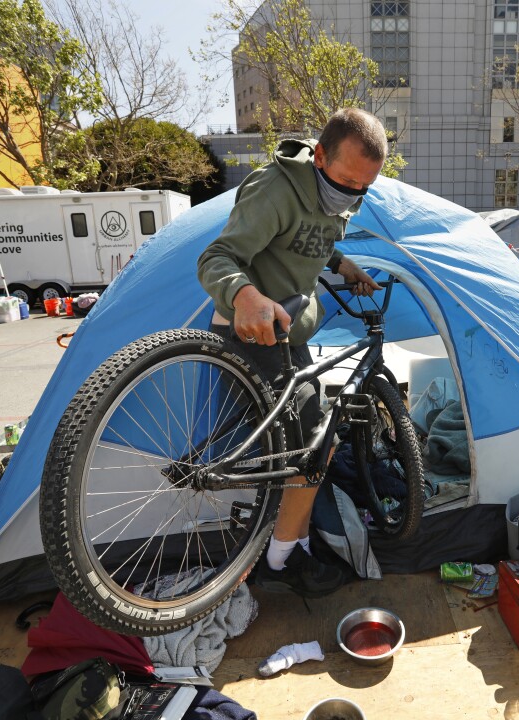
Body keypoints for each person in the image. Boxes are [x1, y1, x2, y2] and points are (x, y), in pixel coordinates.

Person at [197, 107, 387, 597]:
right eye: (346, 182)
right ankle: (282, 560)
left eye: (363, 188)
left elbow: (317, 240)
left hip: (289, 339)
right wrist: (246, 296)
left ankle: (286, 541)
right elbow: (217, 258)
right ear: (319, 156)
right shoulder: (273, 189)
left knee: (299, 445)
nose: (352, 196)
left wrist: (345, 267)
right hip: (250, 334)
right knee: (316, 443)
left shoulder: (339, 194)